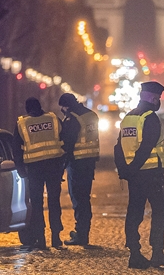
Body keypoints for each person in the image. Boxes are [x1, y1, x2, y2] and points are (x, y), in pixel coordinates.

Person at [114, 81, 164, 269]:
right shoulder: (150, 118)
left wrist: (124, 170)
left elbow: (118, 147)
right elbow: (145, 149)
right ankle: (157, 253)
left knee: (134, 212)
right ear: (152, 97)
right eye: (158, 98)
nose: (158, 101)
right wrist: (133, 169)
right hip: (151, 175)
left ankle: (134, 254)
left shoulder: (128, 118)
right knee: (160, 212)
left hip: (134, 177)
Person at [13, 97, 66, 250]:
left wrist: (21, 170)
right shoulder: (53, 119)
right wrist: (63, 161)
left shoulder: (22, 124)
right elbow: (65, 140)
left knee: (37, 204)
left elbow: (16, 149)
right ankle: (56, 237)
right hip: (54, 166)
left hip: (34, 169)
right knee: (54, 202)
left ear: (27, 109)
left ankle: (40, 238)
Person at [58, 93, 100, 247]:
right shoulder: (91, 115)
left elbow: (68, 144)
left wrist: (61, 166)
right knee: (85, 198)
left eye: (62, 108)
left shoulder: (72, 118)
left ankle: (81, 235)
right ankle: (83, 232)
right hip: (90, 163)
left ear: (65, 105)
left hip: (76, 164)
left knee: (78, 199)